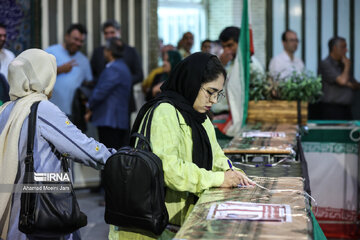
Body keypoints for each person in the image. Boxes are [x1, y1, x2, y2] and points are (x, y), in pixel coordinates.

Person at [108, 52, 253, 240]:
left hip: (179, 224)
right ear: (192, 82)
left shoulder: (201, 118)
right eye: (210, 92)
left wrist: (233, 172)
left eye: (218, 94)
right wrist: (218, 179)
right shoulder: (165, 112)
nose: (214, 101)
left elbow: (217, 156)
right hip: (151, 228)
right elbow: (170, 170)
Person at [0, 49, 116, 240]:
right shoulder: (41, 108)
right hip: (44, 208)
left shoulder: (6, 109)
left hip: (14, 206)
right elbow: (82, 147)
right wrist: (115, 158)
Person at [90, 20, 143, 120]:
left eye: (112, 32)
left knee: (124, 134)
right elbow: (93, 75)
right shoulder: (98, 52)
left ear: (119, 32)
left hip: (124, 100)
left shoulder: (130, 51)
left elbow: (139, 75)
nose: (109, 36)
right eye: (106, 33)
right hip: (103, 101)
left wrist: (120, 81)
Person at [86, 37, 132, 151]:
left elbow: (101, 91)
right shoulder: (122, 66)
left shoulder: (114, 68)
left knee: (108, 158)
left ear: (109, 52)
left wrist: (89, 105)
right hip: (116, 120)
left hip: (110, 120)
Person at [45, 23, 93, 119]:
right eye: (75, 39)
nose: (78, 43)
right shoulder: (50, 52)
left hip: (73, 114)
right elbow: (38, 75)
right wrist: (59, 70)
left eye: (81, 41)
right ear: (66, 36)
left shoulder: (84, 60)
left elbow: (88, 84)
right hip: (50, 111)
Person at [213, 26, 263, 115]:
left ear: (240, 43)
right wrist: (221, 66)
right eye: (224, 47)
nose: (226, 50)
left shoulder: (251, 66)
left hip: (236, 115)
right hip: (219, 112)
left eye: (230, 45)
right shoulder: (228, 62)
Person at [318, 36, 360, 120]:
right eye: (343, 47)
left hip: (347, 109)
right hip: (332, 109)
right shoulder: (326, 63)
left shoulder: (342, 64)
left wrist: (350, 84)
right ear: (334, 48)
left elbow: (356, 84)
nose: (346, 50)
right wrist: (347, 66)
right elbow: (342, 81)